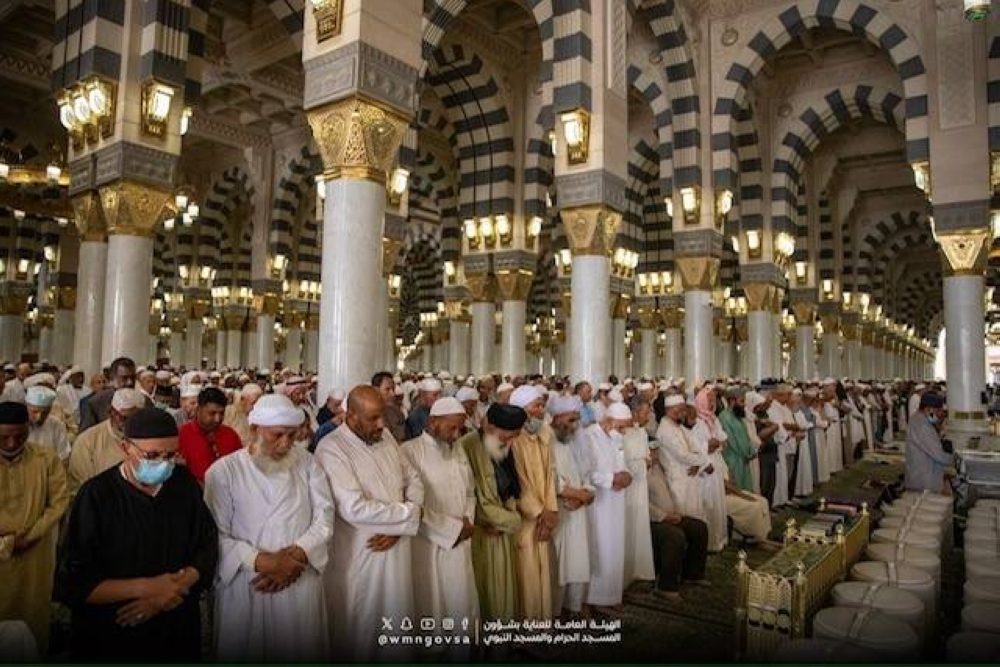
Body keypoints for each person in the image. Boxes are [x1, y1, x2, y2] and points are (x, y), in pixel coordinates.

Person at [56, 408, 218, 661]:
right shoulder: (96, 496)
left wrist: (174, 589)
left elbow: (206, 547)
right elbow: (74, 582)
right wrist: (148, 588)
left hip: (176, 623)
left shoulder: (183, 485)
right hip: (113, 631)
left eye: (171, 455)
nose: (163, 463)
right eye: (152, 456)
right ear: (126, 448)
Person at [204, 394, 334, 662]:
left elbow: (325, 515)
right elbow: (214, 534)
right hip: (249, 581)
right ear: (254, 430)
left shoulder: (308, 463)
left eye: (291, 435)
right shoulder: (224, 471)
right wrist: (262, 562)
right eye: (277, 435)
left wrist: (298, 554)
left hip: (299, 575)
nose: (285, 443)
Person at [314, 386, 423, 660]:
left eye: (382, 415)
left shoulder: (385, 436)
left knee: (396, 617)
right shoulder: (331, 448)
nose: (382, 423)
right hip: (363, 554)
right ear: (351, 416)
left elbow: (413, 479)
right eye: (373, 418)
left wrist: (402, 523)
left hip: (397, 547)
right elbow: (354, 508)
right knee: (361, 627)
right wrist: (407, 517)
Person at [401, 397, 479, 650]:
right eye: (451, 428)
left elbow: (470, 492)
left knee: (461, 603)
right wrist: (451, 530)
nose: (457, 435)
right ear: (433, 422)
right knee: (432, 606)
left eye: (460, 428)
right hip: (428, 543)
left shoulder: (457, 449)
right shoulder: (409, 452)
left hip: (461, 539)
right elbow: (412, 506)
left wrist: (467, 521)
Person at [0, 401, 70, 654]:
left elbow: (59, 502)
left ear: (28, 430)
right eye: (4, 437)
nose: (12, 443)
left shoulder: (46, 459)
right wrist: (7, 543)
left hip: (35, 555)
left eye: (19, 436)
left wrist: (31, 536)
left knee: (32, 617)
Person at [460, 403, 526, 621]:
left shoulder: (501, 445)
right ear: (489, 427)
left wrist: (509, 518)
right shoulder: (467, 446)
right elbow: (468, 496)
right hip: (482, 531)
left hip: (503, 527)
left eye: (515, 437)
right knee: (485, 586)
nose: (511, 442)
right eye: (507, 436)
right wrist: (511, 521)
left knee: (504, 587)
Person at [507, 385, 559, 620]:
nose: (541, 410)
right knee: (525, 571)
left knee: (542, 570)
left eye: (542, 405)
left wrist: (550, 513)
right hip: (525, 517)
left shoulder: (545, 433)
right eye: (536, 406)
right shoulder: (513, 438)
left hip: (544, 515)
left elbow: (550, 476)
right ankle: (527, 624)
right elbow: (519, 481)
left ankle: (542, 622)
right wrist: (539, 513)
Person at [579, 402, 632, 614]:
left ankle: (610, 595)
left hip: (616, 502)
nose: (624, 431)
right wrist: (611, 479)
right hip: (598, 504)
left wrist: (626, 475)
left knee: (614, 548)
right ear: (608, 421)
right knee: (598, 548)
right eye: (621, 426)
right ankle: (590, 599)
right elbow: (586, 473)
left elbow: (622, 463)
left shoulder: (616, 436)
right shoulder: (588, 436)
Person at [646, 437, 709, 601]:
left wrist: (677, 511)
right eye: (651, 451)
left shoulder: (659, 468)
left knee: (699, 527)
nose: (655, 454)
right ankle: (665, 587)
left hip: (671, 515)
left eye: (656, 451)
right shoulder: (639, 472)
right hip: (652, 521)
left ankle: (692, 575)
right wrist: (664, 516)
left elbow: (669, 492)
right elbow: (641, 504)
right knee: (675, 536)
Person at [548, 395, 593, 618]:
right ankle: (555, 613)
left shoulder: (576, 439)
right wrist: (576, 494)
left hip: (578, 509)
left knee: (577, 561)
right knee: (558, 564)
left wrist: (586, 493)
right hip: (559, 510)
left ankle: (574, 607)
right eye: (571, 420)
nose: (575, 425)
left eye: (577, 419)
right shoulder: (545, 440)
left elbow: (587, 471)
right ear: (557, 418)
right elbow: (548, 477)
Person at [67, 388, 146, 491]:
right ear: (111, 412)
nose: (130, 423)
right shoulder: (87, 442)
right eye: (124, 418)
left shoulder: (151, 438)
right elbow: (83, 488)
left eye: (136, 418)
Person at [655, 395, 707, 521]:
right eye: (681, 409)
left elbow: (695, 446)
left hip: (690, 476)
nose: (684, 413)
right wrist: (702, 460)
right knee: (686, 516)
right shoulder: (665, 430)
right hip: (679, 480)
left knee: (697, 515)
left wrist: (698, 463)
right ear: (671, 410)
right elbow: (682, 455)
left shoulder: (678, 426)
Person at [177, 387, 243, 484]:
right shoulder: (182, 435)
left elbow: (240, 467)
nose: (217, 419)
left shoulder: (231, 434)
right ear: (198, 409)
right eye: (212, 413)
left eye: (221, 413)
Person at [690, 388, 728, 552]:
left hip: (716, 463)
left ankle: (718, 540)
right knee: (708, 503)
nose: (713, 403)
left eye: (714, 399)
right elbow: (696, 447)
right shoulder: (696, 422)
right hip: (705, 467)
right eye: (709, 400)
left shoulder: (713, 419)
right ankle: (708, 542)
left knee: (717, 503)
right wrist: (710, 445)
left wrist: (715, 444)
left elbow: (723, 441)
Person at [622, 399, 656, 586]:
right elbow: (624, 463)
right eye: (645, 413)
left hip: (640, 487)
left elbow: (645, 456)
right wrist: (644, 462)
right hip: (627, 490)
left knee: (639, 527)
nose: (648, 417)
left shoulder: (642, 432)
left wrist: (647, 460)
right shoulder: (623, 434)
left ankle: (638, 570)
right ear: (634, 413)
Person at [904, 392, 953, 494]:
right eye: (938, 411)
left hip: (921, 475)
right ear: (928, 409)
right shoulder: (923, 426)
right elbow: (939, 455)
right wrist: (953, 459)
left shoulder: (918, 419)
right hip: (924, 481)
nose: (939, 414)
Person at [78, 358, 141, 433]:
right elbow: (85, 434)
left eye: (132, 378)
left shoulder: (143, 400)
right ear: (112, 378)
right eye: (124, 378)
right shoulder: (96, 402)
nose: (130, 382)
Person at [718, 386, 755, 493]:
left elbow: (745, 436)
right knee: (737, 492)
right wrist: (746, 453)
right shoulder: (724, 417)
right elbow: (732, 441)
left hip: (743, 459)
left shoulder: (737, 416)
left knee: (746, 491)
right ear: (732, 401)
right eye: (742, 401)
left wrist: (750, 451)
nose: (744, 404)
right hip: (733, 460)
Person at [26, 386, 71, 462]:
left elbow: (64, 454)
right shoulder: (17, 425)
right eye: (35, 412)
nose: (39, 417)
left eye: (44, 413)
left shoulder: (56, 425)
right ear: (27, 408)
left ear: (50, 410)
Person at [373, 372, 406, 442]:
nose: (392, 394)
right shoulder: (368, 414)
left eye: (393, 389)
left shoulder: (395, 411)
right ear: (375, 389)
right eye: (387, 389)